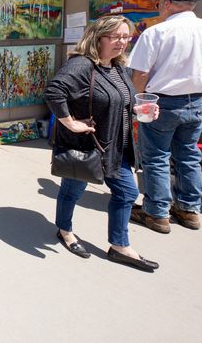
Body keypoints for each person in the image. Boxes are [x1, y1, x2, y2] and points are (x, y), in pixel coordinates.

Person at [45, 16, 160, 272]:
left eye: (126, 37)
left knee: (128, 193)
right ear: (98, 38)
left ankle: (119, 247)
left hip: (116, 148)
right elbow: (54, 91)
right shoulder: (82, 65)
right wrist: (70, 123)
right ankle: (65, 231)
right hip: (87, 147)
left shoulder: (118, 67)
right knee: (72, 190)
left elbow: (120, 101)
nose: (122, 42)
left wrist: (141, 110)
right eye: (116, 37)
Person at [129, 0, 202, 233]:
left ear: (166, 3)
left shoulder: (157, 32)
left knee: (156, 157)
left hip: (161, 100)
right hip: (196, 100)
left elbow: (141, 73)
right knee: (188, 155)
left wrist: (138, 100)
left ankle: (156, 212)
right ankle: (189, 209)